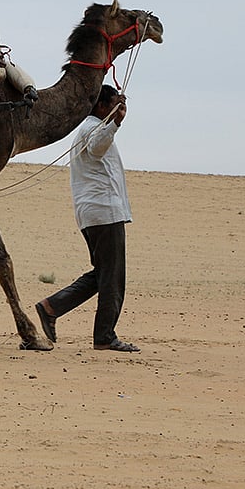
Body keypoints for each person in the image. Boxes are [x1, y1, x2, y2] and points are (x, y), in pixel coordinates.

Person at [35, 85, 140, 352]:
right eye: (114, 104)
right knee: (113, 278)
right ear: (102, 106)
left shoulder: (92, 128)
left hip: (96, 212)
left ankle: (52, 307)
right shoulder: (94, 129)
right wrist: (116, 124)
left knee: (104, 274)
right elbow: (96, 148)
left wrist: (113, 122)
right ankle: (104, 336)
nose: (119, 108)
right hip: (104, 213)